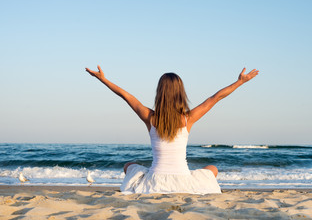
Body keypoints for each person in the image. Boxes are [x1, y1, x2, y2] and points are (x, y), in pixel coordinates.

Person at [86, 65, 259, 194]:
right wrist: (240, 82)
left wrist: (103, 79)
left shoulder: (150, 117)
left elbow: (126, 96)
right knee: (212, 169)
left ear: (159, 92)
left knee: (128, 166)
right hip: (184, 181)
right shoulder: (188, 118)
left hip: (155, 181)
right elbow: (215, 98)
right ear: (180, 93)